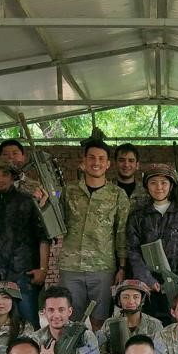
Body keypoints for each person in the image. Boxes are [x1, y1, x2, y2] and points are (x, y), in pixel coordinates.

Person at [51, 131, 130, 330]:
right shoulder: (68, 191)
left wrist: (122, 267)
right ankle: (74, 351)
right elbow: (55, 220)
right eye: (92, 158)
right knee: (70, 321)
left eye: (101, 159)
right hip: (71, 266)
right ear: (84, 161)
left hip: (102, 267)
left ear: (108, 164)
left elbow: (121, 232)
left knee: (100, 321)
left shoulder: (117, 194)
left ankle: (99, 350)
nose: (96, 162)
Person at [126, 164, 178, 323]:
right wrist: (147, 279)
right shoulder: (138, 216)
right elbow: (133, 250)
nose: (159, 187)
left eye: (164, 183)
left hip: (177, 283)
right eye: (153, 183)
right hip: (147, 287)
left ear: (171, 186)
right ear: (147, 186)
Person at [0, 157, 50, 326]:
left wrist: (43, 269)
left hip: (24, 274)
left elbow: (43, 237)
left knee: (29, 324)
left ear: (12, 177)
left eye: (5, 174)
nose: (0, 179)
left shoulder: (27, 202)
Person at [96, 280, 164, 354]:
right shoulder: (109, 323)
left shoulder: (155, 325)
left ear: (142, 300)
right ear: (119, 300)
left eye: (136, 297)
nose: (131, 301)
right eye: (125, 297)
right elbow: (98, 350)